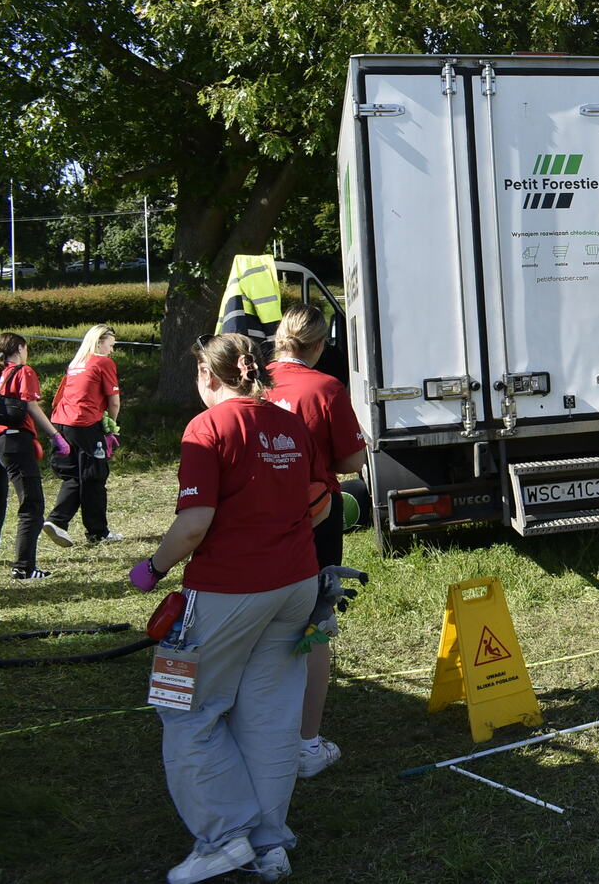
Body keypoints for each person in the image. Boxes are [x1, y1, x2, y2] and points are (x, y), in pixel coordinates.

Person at [128, 333, 328, 884]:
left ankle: (222, 839)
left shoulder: (207, 427)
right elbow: (321, 501)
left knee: (185, 709)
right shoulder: (290, 424)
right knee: (268, 717)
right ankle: (268, 845)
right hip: (295, 587)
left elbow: (194, 524)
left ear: (208, 376)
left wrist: (154, 568)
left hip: (224, 592)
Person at [263, 304, 366, 780]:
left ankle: (257, 734)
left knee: (258, 620)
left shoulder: (249, 381)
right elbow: (349, 462)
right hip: (312, 517)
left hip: (250, 519)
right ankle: (306, 742)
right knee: (315, 623)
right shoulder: (325, 387)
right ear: (321, 345)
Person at [0, 332, 72, 578]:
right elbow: (31, 405)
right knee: (31, 503)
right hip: (14, 441)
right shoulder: (23, 371)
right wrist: (55, 435)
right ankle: (24, 568)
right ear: (19, 348)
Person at [47, 324, 124, 544]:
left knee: (74, 476)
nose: (111, 350)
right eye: (110, 345)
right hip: (85, 424)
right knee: (94, 476)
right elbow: (114, 400)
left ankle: (57, 521)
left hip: (62, 423)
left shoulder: (75, 364)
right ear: (100, 342)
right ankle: (98, 532)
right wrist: (110, 425)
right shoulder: (103, 362)